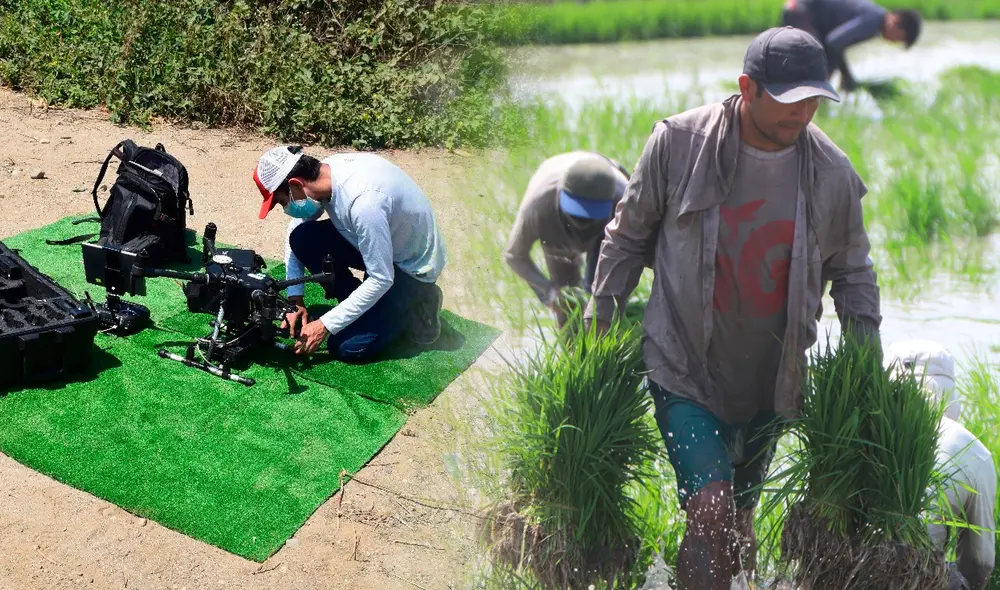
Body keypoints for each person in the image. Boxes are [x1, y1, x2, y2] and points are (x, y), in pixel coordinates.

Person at [583, 26, 882, 590]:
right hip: (684, 365)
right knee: (713, 507)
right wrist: (597, 331)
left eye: (816, 99)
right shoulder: (679, 144)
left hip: (772, 379)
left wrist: (866, 373)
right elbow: (625, 238)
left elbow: (854, 276)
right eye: (792, 100)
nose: (806, 112)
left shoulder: (832, 173)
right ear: (749, 88)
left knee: (739, 516)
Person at [253, 146, 447, 362]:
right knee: (303, 238)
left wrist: (325, 324)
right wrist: (295, 299)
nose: (284, 208)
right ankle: (361, 307)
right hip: (384, 245)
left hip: (411, 268)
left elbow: (382, 279)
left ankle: (418, 304)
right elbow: (294, 230)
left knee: (347, 347)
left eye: (282, 201)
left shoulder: (365, 203)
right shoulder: (324, 173)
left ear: (295, 184)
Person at [887, 340, 997, 590]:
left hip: (848, 569)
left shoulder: (855, 433)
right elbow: (980, 560)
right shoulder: (973, 451)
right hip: (919, 578)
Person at [504, 152, 630, 328]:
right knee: (567, 303)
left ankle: (601, 344)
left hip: (606, 225)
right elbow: (514, 256)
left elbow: (636, 254)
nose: (583, 224)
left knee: (601, 302)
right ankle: (572, 350)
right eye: (578, 215)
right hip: (556, 222)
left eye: (590, 216)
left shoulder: (625, 201)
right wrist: (548, 290)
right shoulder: (539, 206)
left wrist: (607, 296)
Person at [781, 0, 922, 91]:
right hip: (801, 12)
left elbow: (837, 44)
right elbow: (833, 43)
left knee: (789, 68)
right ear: (896, 20)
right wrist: (839, 76)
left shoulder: (875, 19)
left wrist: (845, 75)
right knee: (812, 72)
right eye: (899, 38)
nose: (894, 42)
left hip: (800, 11)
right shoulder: (873, 21)